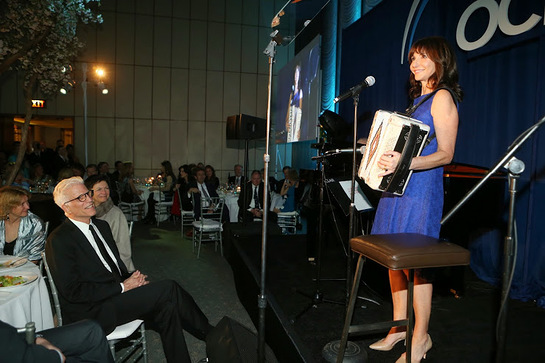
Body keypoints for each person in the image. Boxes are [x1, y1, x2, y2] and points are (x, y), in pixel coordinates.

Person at [45, 177, 214, 363]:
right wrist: (123, 287)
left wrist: (132, 279)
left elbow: (113, 268)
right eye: (81, 198)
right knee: (169, 288)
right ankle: (213, 336)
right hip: (91, 311)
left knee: (168, 306)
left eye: (87, 194)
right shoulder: (59, 239)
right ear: (66, 207)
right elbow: (73, 292)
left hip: (115, 297)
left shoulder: (101, 226)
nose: (89, 199)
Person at [369, 36, 462, 363]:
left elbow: (446, 154)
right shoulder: (416, 102)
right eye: (412, 59)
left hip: (421, 191)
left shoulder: (442, 97)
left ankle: (421, 338)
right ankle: (399, 328)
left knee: (418, 266)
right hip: (396, 190)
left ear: (440, 61)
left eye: (422, 57)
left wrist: (404, 162)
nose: (414, 64)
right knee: (395, 260)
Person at [0, 319, 114, 362]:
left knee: (91, 331)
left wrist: (35, 337)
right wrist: (51, 351)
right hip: (17, 352)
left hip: (14, 338)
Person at [85, 174, 135, 272]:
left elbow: (122, 247)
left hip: (111, 266)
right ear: (89, 192)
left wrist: (121, 270)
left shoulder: (115, 214)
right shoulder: (83, 213)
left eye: (106, 188)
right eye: (99, 189)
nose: (104, 192)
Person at [0, 186, 46, 263]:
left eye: (27, 202)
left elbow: (35, 257)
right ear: (8, 206)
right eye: (22, 204)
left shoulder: (34, 223)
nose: (27, 207)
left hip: (24, 270)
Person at [285, 63, 303, 142]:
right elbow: (288, 109)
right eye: (295, 72)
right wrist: (286, 122)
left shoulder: (301, 92)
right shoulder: (291, 92)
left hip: (296, 123)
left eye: (298, 72)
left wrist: (299, 128)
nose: (296, 75)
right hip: (291, 124)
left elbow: (301, 111)